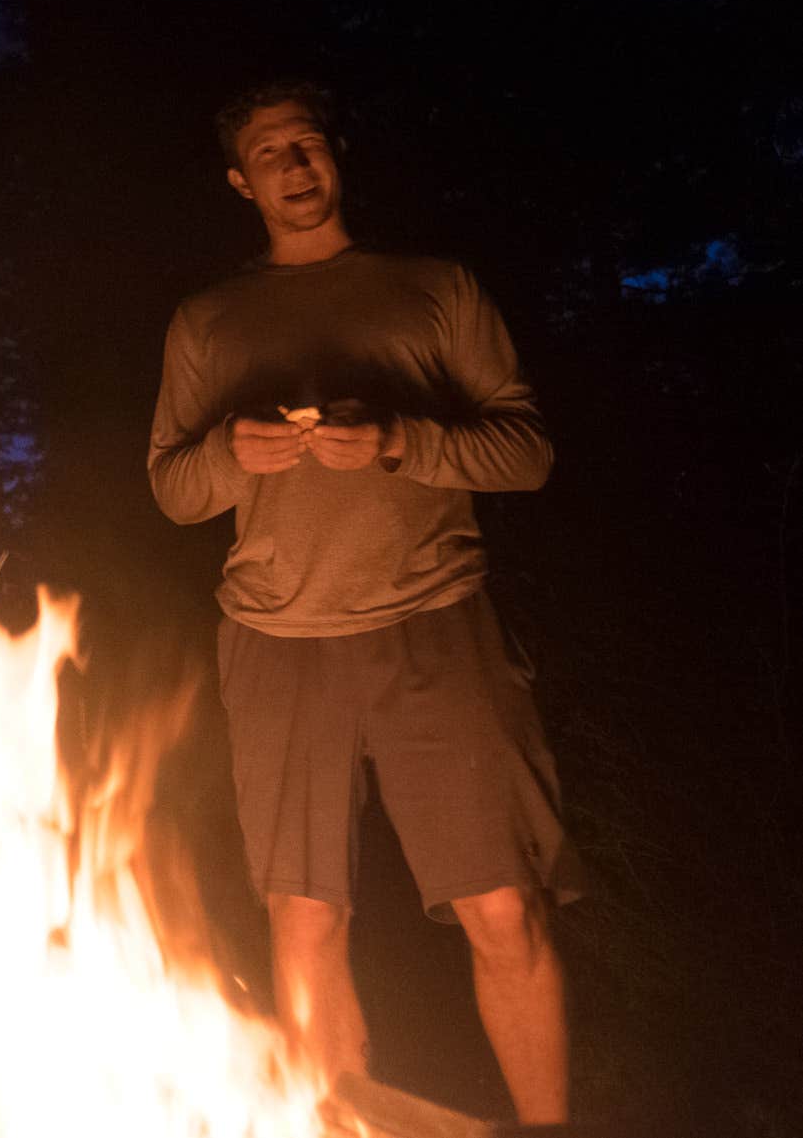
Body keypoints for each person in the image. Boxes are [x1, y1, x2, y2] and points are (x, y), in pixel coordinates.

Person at [148, 81, 583, 1124]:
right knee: (303, 923)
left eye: (306, 144)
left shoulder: (433, 289)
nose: (294, 166)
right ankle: (336, 1121)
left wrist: (399, 440)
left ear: (333, 155)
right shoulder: (209, 320)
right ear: (237, 180)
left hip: (435, 625)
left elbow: (525, 452)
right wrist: (231, 452)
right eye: (268, 153)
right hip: (276, 641)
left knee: (502, 909)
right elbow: (172, 487)